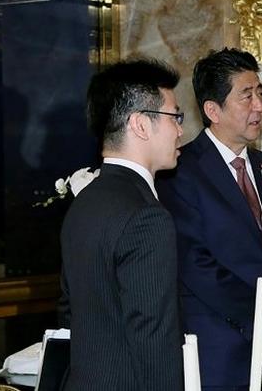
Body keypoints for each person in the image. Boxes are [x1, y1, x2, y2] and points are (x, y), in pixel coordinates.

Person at [157, 48, 262, 390]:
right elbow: (193, 263)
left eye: (260, 93)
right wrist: (258, 317)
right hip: (217, 349)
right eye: (246, 96)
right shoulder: (181, 171)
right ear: (213, 110)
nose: (259, 105)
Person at [58, 59, 185, 390]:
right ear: (141, 125)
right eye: (175, 117)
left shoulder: (84, 202)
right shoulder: (147, 216)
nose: (181, 130)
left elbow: (70, 313)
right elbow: (154, 338)